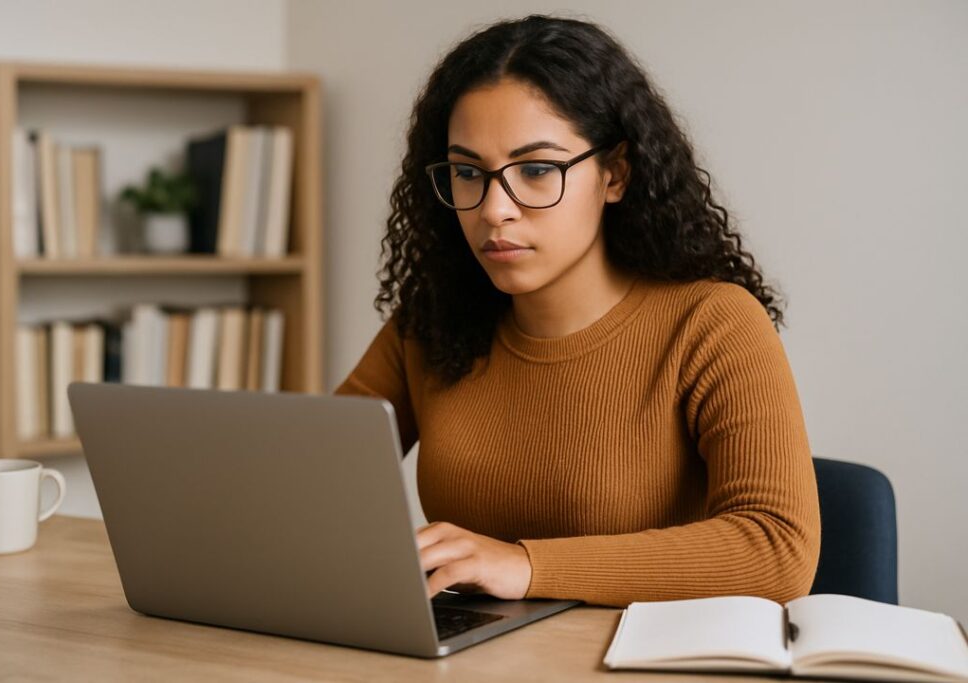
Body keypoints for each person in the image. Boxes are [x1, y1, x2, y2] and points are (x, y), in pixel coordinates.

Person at [334, 13, 820, 608]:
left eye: (536, 170)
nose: (495, 210)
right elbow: (310, 480)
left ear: (614, 174)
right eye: (468, 173)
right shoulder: (430, 323)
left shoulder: (710, 323)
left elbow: (777, 549)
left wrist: (526, 566)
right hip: (474, 662)